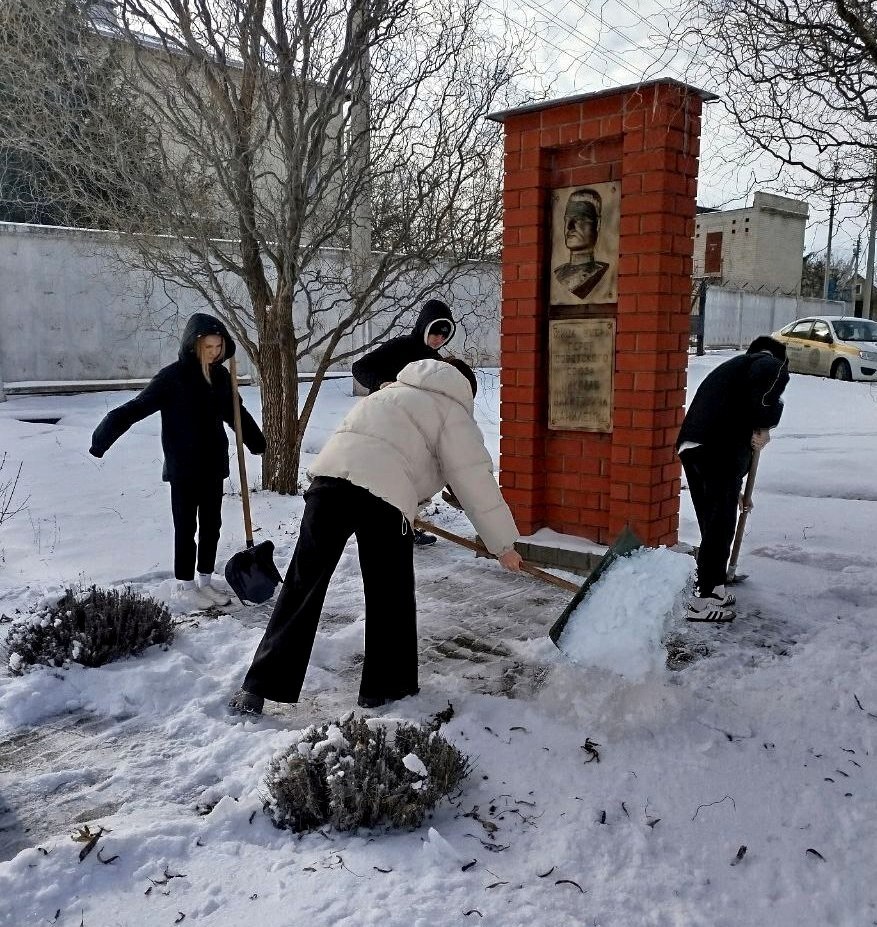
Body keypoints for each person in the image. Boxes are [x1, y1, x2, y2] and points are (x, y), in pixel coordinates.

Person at [229, 357, 523, 715]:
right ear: (466, 390)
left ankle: (259, 687)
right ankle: (386, 690)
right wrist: (503, 545)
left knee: (301, 585)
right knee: (390, 595)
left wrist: (408, 501)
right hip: (383, 499)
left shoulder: (388, 392)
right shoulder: (451, 410)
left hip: (327, 485)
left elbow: (376, 449)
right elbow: (474, 479)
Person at [89, 313, 266, 611]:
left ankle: (205, 579)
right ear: (194, 345)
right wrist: (102, 439)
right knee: (186, 527)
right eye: (208, 347)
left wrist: (256, 442)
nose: (214, 352)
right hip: (183, 468)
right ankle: (186, 584)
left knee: (212, 525)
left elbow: (236, 414)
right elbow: (136, 408)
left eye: (218, 347)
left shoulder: (221, 377)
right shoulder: (172, 378)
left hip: (213, 464)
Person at [676, 336, 789, 622]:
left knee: (714, 521)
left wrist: (737, 489)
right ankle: (704, 600)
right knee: (720, 524)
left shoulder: (732, 370)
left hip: (694, 446)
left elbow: (734, 410)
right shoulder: (767, 363)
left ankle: (714, 584)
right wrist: (766, 424)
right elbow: (763, 398)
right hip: (719, 449)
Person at [352, 298, 458, 545]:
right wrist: (381, 383)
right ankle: (381, 529)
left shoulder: (437, 362)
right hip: (383, 423)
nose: (438, 340)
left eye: (444, 336)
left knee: (412, 480)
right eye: (435, 333)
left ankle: (405, 526)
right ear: (424, 326)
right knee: (383, 478)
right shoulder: (399, 347)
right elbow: (360, 367)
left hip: (414, 430)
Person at [553, 188, 609, 300]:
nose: (569, 227)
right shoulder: (558, 273)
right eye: (567, 219)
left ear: (597, 224)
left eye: (579, 219)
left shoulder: (600, 272)